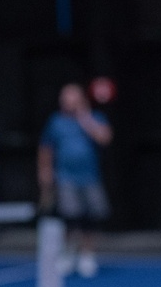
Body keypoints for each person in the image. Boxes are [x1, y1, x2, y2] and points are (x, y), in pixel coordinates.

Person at [38, 82, 113, 277]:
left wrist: (85, 118)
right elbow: (46, 148)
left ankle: (87, 255)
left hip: (90, 177)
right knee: (70, 218)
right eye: (64, 99)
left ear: (80, 100)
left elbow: (104, 138)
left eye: (71, 99)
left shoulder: (95, 118)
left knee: (90, 218)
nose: (67, 103)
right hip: (65, 178)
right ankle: (68, 253)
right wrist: (45, 171)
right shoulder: (55, 122)